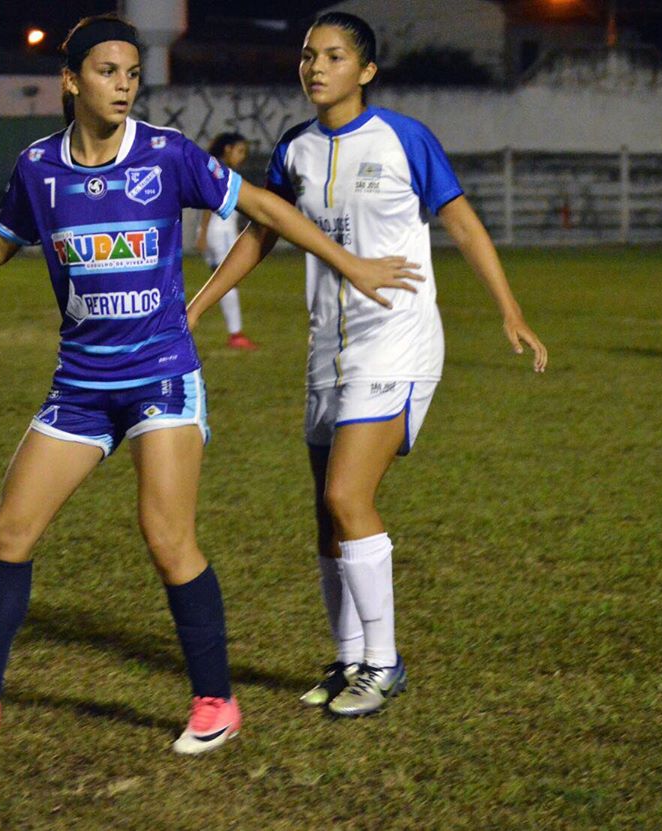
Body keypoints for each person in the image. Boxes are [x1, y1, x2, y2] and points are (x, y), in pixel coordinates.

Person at [0, 14, 420, 754]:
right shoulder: (38, 168)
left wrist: (353, 263)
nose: (124, 85)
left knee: (168, 538)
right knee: (9, 533)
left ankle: (216, 702)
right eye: (108, 72)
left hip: (162, 378)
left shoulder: (167, 155)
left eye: (133, 74)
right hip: (80, 385)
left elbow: (264, 206)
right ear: (71, 79)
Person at [188, 12, 548, 719]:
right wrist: (198, 305)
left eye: (333, 56)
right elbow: (263, 234)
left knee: (349, 496)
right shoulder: (292, 150)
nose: (315, 67)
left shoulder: (403, 138)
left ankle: (384, 664)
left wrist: (509, 308)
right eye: (307, 55)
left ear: (366, 70)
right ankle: (350, 657)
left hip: (400, 338)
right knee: (327, 514)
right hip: (329, 345)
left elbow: (464, 223)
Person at [195, 132, 257, 350]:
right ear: (228, 149)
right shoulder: (219, 171)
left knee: (224, 282)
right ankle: (236, 334)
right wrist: (203, 233)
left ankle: (234, 333)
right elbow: (210, 205)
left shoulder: (217, 169)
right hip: (219, 233)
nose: (243, 156)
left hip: (220, 232)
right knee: (228, 283)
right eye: (240, 151)